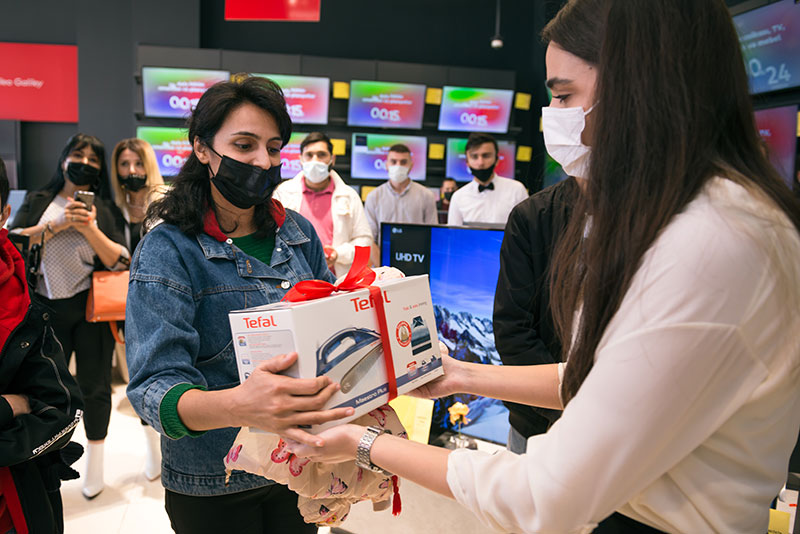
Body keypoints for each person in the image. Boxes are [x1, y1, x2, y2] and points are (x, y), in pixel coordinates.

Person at [285, 1, 800, 532]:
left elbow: (544, 494)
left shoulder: (712, 245)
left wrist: (364, 442)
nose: (554, 115)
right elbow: (601, 379)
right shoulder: (696, 221)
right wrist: (459, 375)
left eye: (564, 95)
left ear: (638, 88)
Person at [125, 76, 352, 534]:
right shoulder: (169, 250)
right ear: (202, 148)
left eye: (273, 147)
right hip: (213, 480)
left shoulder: (299, 234)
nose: (262, 161)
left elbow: (327, 335)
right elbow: (154, 390)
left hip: (299, 467)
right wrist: (239, 406)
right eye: (244, 145)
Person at [11, 134, 129, 499]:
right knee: (46, 389)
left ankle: (96, 464)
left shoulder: (104, 209)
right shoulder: (40, 201)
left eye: (94, 159)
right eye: (79, 155)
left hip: (91, 308)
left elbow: (120, 260)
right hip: (44, 309)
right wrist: (58, 223)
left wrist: (88, 227)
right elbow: (14, 241)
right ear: (63, 159)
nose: (85, 163)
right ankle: (46, 460)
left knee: (95, 387)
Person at [1, 156, 85, 534]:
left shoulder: (19, 299)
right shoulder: (41, 202)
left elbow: (61, 410)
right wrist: (9, 406)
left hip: (18, 498)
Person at [493, 176, 580, 452]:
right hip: (534, 422)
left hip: (617, 423)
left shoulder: (655, 216)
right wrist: (569, 410)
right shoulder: (533, 216)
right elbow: (512, 330)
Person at [109, 138, 166, 481]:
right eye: (124, 164)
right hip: (126, 304)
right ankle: (152, 450)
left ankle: (166, 444)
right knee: (138, 377)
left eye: (138, 163)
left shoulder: (167, 201)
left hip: (165, 300)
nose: (132, 170)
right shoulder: (112, 207)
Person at [272, 132, 372, 276]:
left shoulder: (349, 195)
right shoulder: (283, 192)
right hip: (294, 276)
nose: (315, 160)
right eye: (309, 155)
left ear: (332, 159)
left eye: (321, 155)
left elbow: (365, 240)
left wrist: (338, 254)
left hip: (336, 278)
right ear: (301, 159)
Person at [447, 133, 528, 226]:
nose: (480, 162)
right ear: (467, 162)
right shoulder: (458, 197)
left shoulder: (517, 190)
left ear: (496, 160)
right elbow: (453, 233)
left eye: (486, 156)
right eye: (474, 157)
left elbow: (527, 228)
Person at [364, 143, 438, 244]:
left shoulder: (426, 196)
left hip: (417, 252)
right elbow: (368, 238)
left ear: (411, 166)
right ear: (386, 165)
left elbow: (433, 235)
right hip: (382, 252)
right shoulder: (373, 197)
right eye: (393, 162)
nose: (398, 166)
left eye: (403, 162)